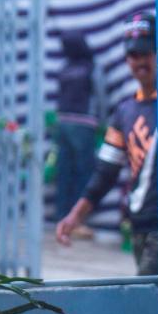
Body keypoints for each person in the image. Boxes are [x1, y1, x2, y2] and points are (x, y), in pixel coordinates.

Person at [54, 12, 158, 275]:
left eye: (146, 53)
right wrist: (75, 216)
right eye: (133, 55)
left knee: (149, 295)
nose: (140, 61)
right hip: (138, 228)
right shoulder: (124, 112)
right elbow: (105, 173)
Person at [53, 29, 104, 230]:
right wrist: (103, 121)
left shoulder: (64, 69)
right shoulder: (91, 67)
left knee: (64, 172)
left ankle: (61, 217)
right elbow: (100, 95)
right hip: (84, 124)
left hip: (63, 123)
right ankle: (78, 221)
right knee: (84, 173)